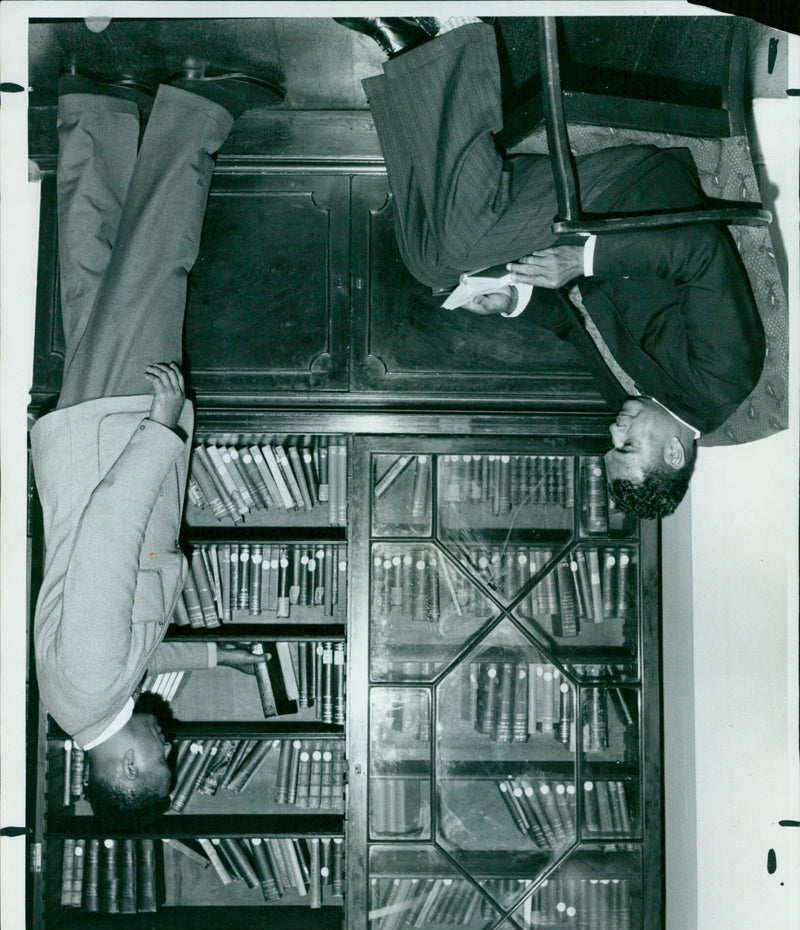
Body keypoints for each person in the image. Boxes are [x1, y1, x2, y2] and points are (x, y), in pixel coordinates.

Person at [334, 17, 766, 518]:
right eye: (626, 445)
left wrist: (512, 302)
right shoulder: (723, 378)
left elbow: (571, 324)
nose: (614, 430)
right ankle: (450, 40)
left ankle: (409, 54)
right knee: (462, 240)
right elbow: (700, 250)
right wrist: (582, 258)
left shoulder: (629, 407)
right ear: (673, 453)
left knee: (431, 267)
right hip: (634, 197)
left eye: (612, 444)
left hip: (586, 230)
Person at [31, 65, 284, 830]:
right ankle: (92, 107)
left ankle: (201, 106)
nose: (167, 743)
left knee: (154, 267)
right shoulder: (86, 699)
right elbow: (143, 653)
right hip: (89, 435)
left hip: (117, 435)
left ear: (131, 767)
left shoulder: (93, 678)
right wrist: (218, 659)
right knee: (95, 274)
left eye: (163, 757)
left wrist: (160, 429)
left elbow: (111, 535)